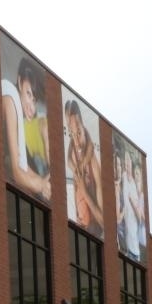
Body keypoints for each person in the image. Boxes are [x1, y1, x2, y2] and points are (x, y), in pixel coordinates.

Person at [2, 57, 50, 202]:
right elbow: (17, 173)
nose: (31, 106)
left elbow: (23, 165)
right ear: (20, 81)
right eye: (28, 94)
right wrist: (42, 185)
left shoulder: (16, 103)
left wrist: (44, 183)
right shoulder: (10, 99)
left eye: (34, 100)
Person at [64, 99, 102, 237]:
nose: (77, 142)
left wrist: (85, 193)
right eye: (72, 133)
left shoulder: (94, 165)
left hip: (95, 237)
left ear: (83, 127)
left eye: (79, 132)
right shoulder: (73, 148)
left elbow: (104, 222)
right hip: (80, 228)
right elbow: (69, 158)